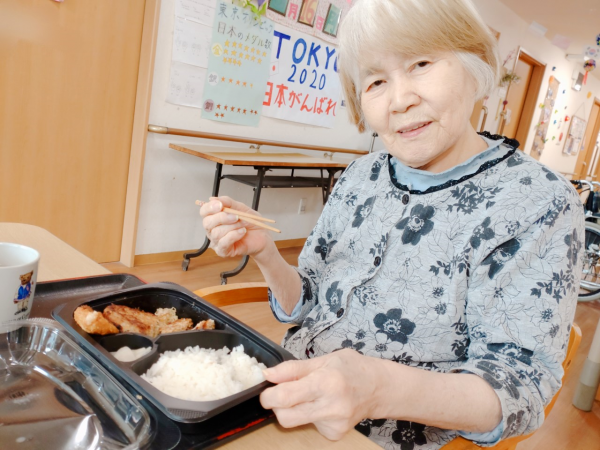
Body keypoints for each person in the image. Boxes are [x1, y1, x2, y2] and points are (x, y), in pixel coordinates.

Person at [199, 0, 583, 448]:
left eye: (421, 64)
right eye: (376, 81)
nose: (400, 100)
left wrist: (378, 388)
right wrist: (265, 253)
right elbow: (307, 303)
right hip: (291, 396)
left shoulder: (538, 202)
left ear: (474, 66)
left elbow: (519, 390)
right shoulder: (360, 175)